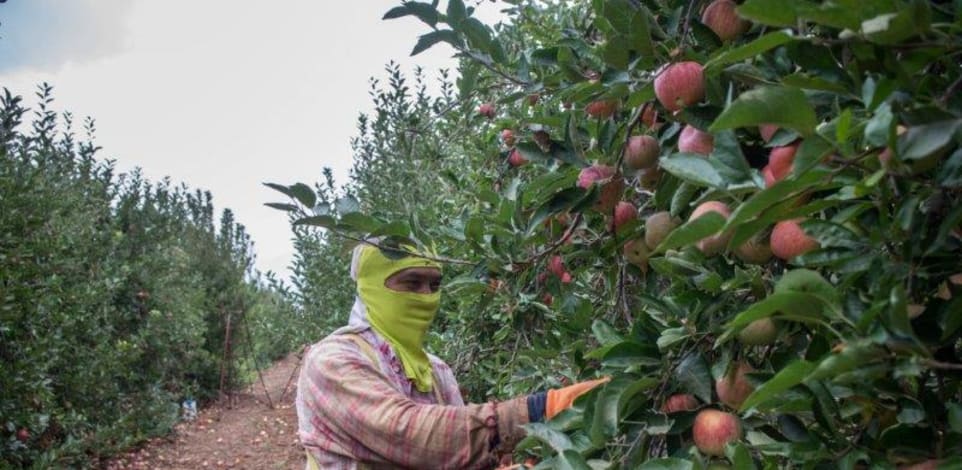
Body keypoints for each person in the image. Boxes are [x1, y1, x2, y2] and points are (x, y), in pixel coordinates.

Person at [296, 240, 608, 469]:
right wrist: (544, 409)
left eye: (434, 284)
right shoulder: (332, 361)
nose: (426, 297)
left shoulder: (436, 371)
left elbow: (456, 459)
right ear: (372, 287)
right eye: (411, 282)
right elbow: (410, 435)